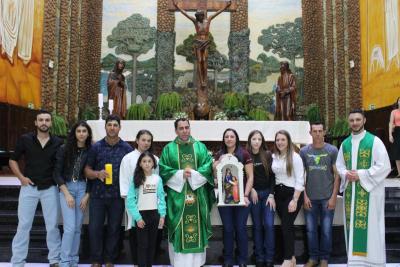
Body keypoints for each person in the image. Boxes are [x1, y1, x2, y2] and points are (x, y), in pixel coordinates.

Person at [336, 109, 391, 267]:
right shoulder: (345, 144)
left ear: (364, 120)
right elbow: (339, 165)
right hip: (351, 194)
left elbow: (384, 166)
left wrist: (361, 174)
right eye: (352, 120)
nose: (355, 123)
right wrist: (346, 173)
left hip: (369, 193)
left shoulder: (374, 141)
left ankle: (373, 262)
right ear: (349, 122)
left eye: (358, 119)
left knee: (371, 228)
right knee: (353, 228)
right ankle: (354, 262)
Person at [9, 110, 63, 267]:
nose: (44, 123)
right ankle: (18, 261)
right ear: (36, 122)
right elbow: (13, 160)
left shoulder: (58, 142)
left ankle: (54, 260)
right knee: (23, 226)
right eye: (41, 120)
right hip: (29, 188)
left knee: (52, 226)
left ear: (51, 123)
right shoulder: (25, 139)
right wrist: (20, 177)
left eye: (47, 120)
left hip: (50, 189)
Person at [159, 118, 214, 267]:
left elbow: (208, 166)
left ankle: (197, 263)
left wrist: (194, 175)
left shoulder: (200, 147)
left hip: (198, 195)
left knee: (197, 226)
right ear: (176, 130)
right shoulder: (169, 149)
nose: (184, 131)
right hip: (177, 196)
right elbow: (162, 169)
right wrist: (180, 174)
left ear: (190, 128)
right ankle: (179, 263)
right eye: (181, 128)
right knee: (178, 228)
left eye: (187, 127)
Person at [84, 115, 133, 267]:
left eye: (115, 125)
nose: (112, 127)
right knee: (95, 228)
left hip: (118, 196)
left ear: (120, 128)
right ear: (105, 127)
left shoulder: (127, 148)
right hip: (98, 195)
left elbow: (132, 171)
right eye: (109, 125)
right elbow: (86, 170)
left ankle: (110, 259)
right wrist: (97, 174)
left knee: (114, 228)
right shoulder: (95, 147)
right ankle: (96, 259)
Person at [53, 121, 92, 267]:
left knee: (77, 228)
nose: (81, 133)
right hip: (66, 187)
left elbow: (91, 174)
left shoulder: (91, 150)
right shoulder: (64, 149)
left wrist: (87, 194)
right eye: (79, 131)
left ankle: (74, 260)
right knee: (69, 227)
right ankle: (64, 261)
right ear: (74, 133)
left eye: (84, 131)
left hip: (82, 187)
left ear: (88, 134)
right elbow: (56, 173)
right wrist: (66, 194)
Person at [299, 122, 339, 267]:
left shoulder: (332, 150)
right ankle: (313, 258)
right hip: (310, 198)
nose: (317, 134)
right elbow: (301, 175)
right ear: (310, 133)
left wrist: (334, 196)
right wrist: (304, 195)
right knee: (310, 230)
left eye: (320, 131)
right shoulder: (304, 152)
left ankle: (324, 259)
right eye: (314, 131)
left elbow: (337, 175)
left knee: (326, 230)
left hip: (327, 198)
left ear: (324, 132)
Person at [213, 128, 254, 267]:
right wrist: (215, 165)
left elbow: (250, 176)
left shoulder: (244, 153)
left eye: (232, 136)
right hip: (224, 199)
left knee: (240, 228)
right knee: (228, 228)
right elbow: (215, 177)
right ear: (223, 139)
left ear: (236, 138)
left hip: (241, 198)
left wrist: (246, 195)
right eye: (226, 136)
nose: (229, 139)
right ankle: (228, 259)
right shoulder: (219, 154)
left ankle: (242, 259)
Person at [119, 130, 160, 263]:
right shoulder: (128, 158)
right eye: (143, 140)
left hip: (151, 206)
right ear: (137, 141)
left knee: (150, 239)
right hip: (134, 205)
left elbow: (157, 182)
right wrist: (131, 205)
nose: (146, 143)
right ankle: (137, 263)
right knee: (135, 235)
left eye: (149, 140)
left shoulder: (155, 159)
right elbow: (124, 180)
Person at [173, 0, 231, 88]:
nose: (199, 17)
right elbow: (186, 15)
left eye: (200, 15)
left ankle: (204, 79)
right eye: (197, 16)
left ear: (202, 15)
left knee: (204, 60)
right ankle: (202, 80)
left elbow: (217, 12)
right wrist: (178, 7)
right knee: (199, 61)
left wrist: (226, 6)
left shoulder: (208, 20)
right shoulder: (196, 22)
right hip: (198, 43)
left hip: (206, 43)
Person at [126, 151, 166, 267]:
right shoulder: (136, 180)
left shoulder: (157, 179)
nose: (147, 164)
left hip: (154, 215)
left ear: (153, 164)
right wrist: (137, 218)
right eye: (144, 161)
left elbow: (161, 198)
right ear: (140, 164)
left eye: (149, 161)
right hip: (141, 217)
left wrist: (162, 215)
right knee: (142, 245)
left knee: (152, 244)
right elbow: (130, 200)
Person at [272, 130, 304, 267]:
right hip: (278, 194)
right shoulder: (274, 156)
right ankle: (292, 259)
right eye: (278, 140)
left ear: (288, 141)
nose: (280, 142)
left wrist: (295, 200)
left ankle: (286, 260)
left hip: (292, 194)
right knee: (287, 226)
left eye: (283, 140)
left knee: (286, 226)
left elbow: (300, 179)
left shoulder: (295, 157)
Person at [246, 130, 275, 267]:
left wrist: (271, 194)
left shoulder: (268, 155)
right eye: (254, 139)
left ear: (262, 141)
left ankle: (269, 257)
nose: (256, 141)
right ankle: (259, 257)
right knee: (257, 226)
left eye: (259, 139)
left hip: (267, 195)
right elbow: (244, 175)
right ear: (250, 141)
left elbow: (273, 176)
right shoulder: (246, 155)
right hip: (254, 196)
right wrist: (251, 189)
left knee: (269, 225)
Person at [389, 97, 400, 177]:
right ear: (398, 102)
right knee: (397, 152)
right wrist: (390, 134)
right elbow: (391, 123)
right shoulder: (394, 112)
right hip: (397, 131)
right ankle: (399, 173)